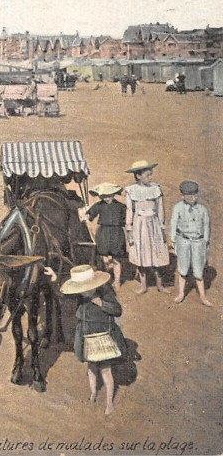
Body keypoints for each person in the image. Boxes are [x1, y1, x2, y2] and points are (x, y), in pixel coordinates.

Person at [53, 264, 126, 417]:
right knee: (91, 367)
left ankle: (109, 403)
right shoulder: (79, 293)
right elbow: (63, 295)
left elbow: (117, 310)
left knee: (105, 370)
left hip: (103, 335)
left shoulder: (105, 291)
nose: (83, 292)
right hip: (86, 335)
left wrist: (101, 303)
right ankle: (93, 392)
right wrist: (55, 278)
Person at [124, 160, 169, 294]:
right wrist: (129, 228)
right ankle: (143, 285)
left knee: (157, 252)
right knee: (141, 254)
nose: (151, 177)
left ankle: (160, 285)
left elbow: (160, 209)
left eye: (151, 174)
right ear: (138, 176)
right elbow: (129, 210)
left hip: (153, 224)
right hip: (139, 225)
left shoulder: (156, 188)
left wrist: (161, 226)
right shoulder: (131, 190)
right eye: (147, 175)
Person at [170, 181, 211, 306]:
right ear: (182, 196)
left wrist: (205, 240)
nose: (193, 198)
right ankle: (181, 293)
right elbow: (173, 223)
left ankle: (203, 295)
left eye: (195, 195)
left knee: (198, 269)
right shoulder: (178, 207)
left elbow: (206, 225)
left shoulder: (202, 209)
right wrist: (173, 239)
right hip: (183, 240)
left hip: (198, 241)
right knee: (183, 267)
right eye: (189, 195)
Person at [82, 183, 127, 289]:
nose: (107, 198)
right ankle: (106, 279)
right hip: (103, 232)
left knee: (116, 259)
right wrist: (85, 215)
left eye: (109, 195)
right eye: (104, 196)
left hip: (116, 233)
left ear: (113, 194)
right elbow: (89, 217)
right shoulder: (99, 205)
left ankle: (117, 281)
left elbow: (125, 220)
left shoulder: (121, 206)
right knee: (104, 258)